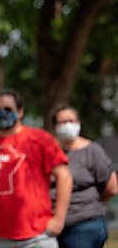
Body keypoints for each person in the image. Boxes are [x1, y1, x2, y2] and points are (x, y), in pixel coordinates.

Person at [0, 89, 73, 248]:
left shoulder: (40, 139)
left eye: (8, 109)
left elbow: (64, 176)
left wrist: (59, 219)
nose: (2, 113)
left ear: (20, 112)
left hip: (38, 236)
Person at [51, 104, 117, 248]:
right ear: (55, 126)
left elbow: (111, 188)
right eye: (62, 122)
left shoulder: (92, 151)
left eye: (71, 121)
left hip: (85, 224)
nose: (68, 125)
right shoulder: (49, 152)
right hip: (52, 227)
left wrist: (87, 204)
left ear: (79, 123)